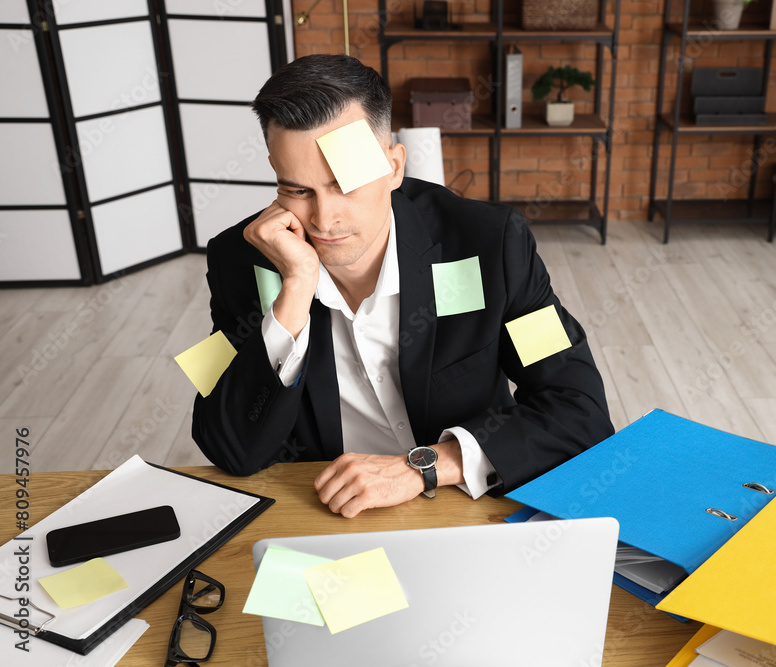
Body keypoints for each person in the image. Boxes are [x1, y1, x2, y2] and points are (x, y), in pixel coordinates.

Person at [191, 54, 612, 518]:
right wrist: (293, 294)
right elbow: (228, 447)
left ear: (393, 167)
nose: (324, 219)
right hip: (325, 514)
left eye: (344, 185)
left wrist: (425, 467)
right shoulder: (238, 260)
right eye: (298, 190)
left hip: (467, 499)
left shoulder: (489, 244)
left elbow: (579, 408)